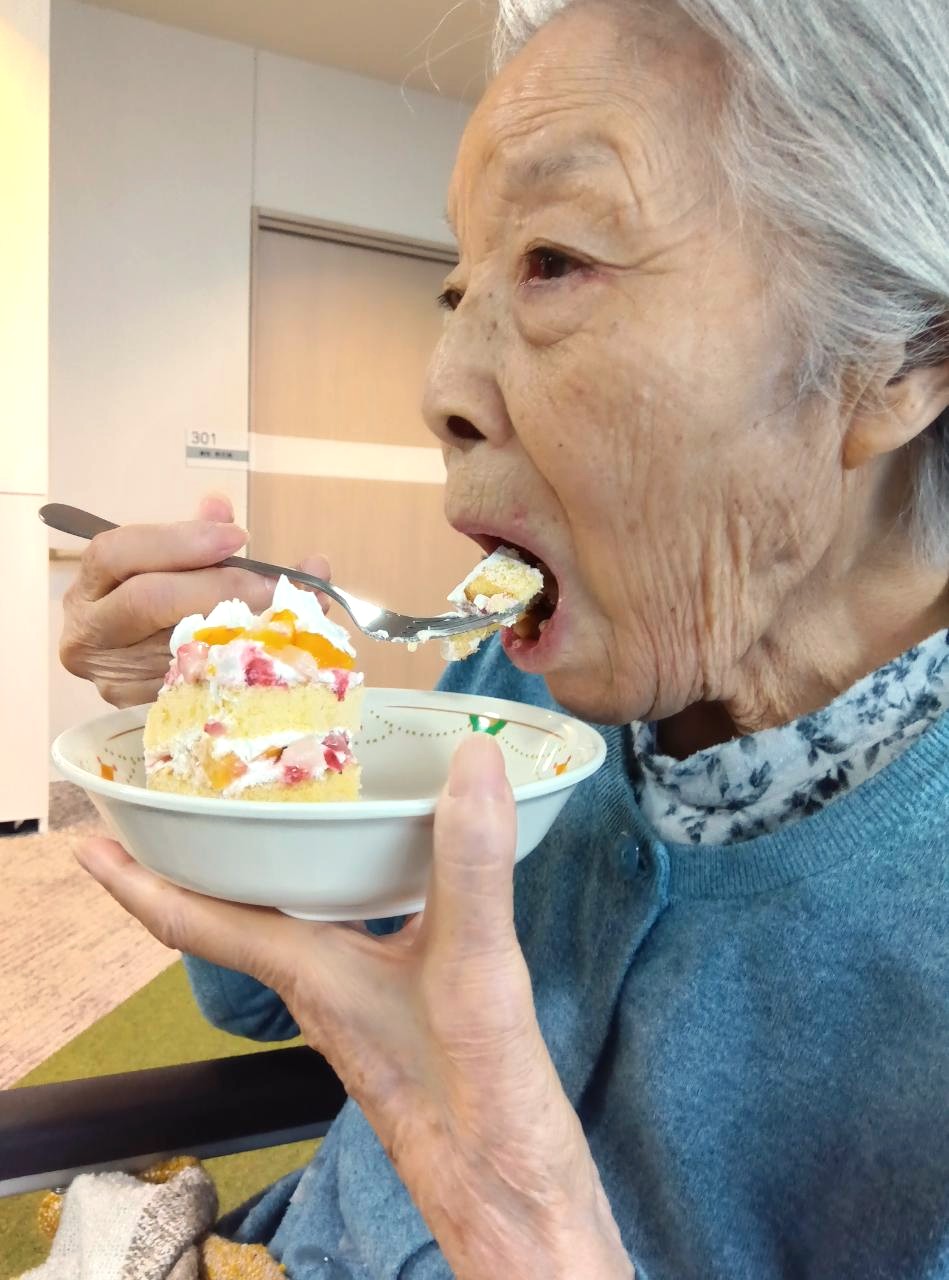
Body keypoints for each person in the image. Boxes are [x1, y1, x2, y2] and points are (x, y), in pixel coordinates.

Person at [62, 1, 949, 1275]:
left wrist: (529, 1232)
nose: (436, 387)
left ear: (900, 356)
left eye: (553, 261)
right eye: (455, 287)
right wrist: (233, 743)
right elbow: (269, 990)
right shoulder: (520, 687)